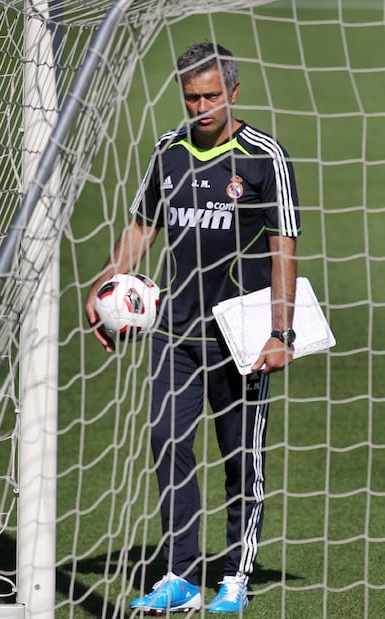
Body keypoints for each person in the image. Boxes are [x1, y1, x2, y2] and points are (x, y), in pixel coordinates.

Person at [85, 41, 300, 614]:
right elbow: (141, 228)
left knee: (240, 460)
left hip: (243, 337)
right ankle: (179, 574)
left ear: (233, 91)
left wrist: (283, 333)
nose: (201, 107)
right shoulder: (167, 151)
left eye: (210, 96)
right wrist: (108, 285)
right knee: (167, 442)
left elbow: (284, 251)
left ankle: (234, 575)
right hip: (174, 334)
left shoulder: (264, 158)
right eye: (191, 97)